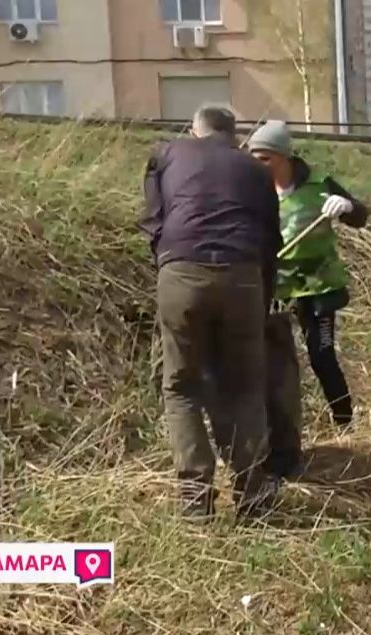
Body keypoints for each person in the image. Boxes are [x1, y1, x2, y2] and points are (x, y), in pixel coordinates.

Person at [141, 106, 282, 519]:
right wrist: (262, 300)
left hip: (181, 272)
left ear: (194, 131)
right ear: (235, 136)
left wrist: (170, 267)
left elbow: (152, 222)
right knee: (244, 386)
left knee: (182, 386)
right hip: (243, 276)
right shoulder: (255, 169)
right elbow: (270, 240)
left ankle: (195, 498)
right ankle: (253, 495)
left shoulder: (166, 154)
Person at [247, 121, 369, 428]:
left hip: (317, 286)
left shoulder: (319, 184)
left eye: (265, 159)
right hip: (274, 287)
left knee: (321, 355)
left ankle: (344, 423)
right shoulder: (252, 189)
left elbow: (360, 217)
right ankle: (280, 428)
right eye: (254, 159)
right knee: (271, 358)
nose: (258, 166)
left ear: (284, 156)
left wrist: (347, 206)